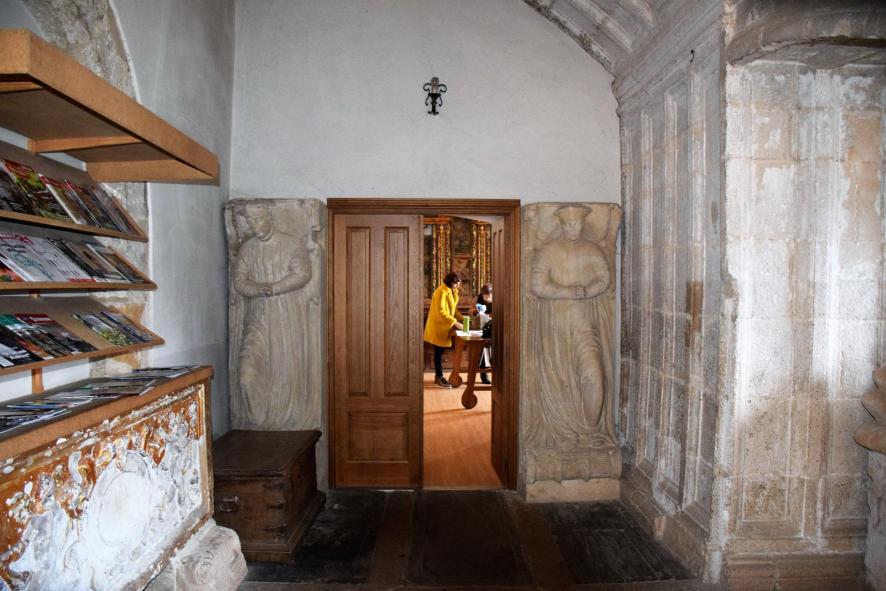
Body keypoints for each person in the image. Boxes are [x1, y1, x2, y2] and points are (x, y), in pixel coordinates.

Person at [423, 271, 464, 388]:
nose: (458, 286)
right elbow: (441, 312)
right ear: (450, 282)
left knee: (440, 352)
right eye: (456, 283)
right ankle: (439, 377)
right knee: (438, 352)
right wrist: (455, 322)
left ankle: (438, 376)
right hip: (438, 327)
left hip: (444, 327)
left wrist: (462, 318)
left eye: (458, 283)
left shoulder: (450, 291)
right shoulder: (441, 292)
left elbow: (453, 310)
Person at [472, 284, 493, 384]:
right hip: (479, 328)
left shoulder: (497, 300)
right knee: (481, 353)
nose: (488, 299)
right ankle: (483, 375)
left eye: (490, 296)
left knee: (491, 353)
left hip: (491, 329)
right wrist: (476, 312)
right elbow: (470, 311)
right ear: (482, 295)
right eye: (486, 296)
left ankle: (494, 376)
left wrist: (489, 316)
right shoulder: (477, 299)